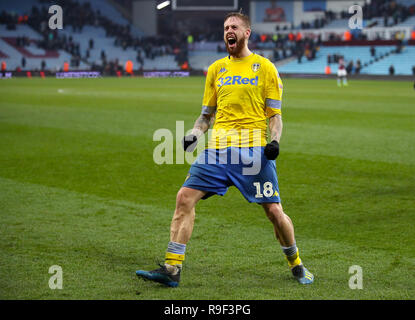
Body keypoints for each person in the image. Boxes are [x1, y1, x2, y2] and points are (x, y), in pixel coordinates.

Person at [136, 11, 314, 287]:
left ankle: (297, 264)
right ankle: (172, 269)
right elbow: (205, 116)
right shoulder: (217, 69)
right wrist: (195, 134)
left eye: (234, 26)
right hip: (217, 150)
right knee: (184, 197)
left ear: (246, 33)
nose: (228, 31)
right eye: (225, 27)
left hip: (253, 151)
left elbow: (275, 116)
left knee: (274, 213)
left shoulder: (265, 68)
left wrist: (275, 141)